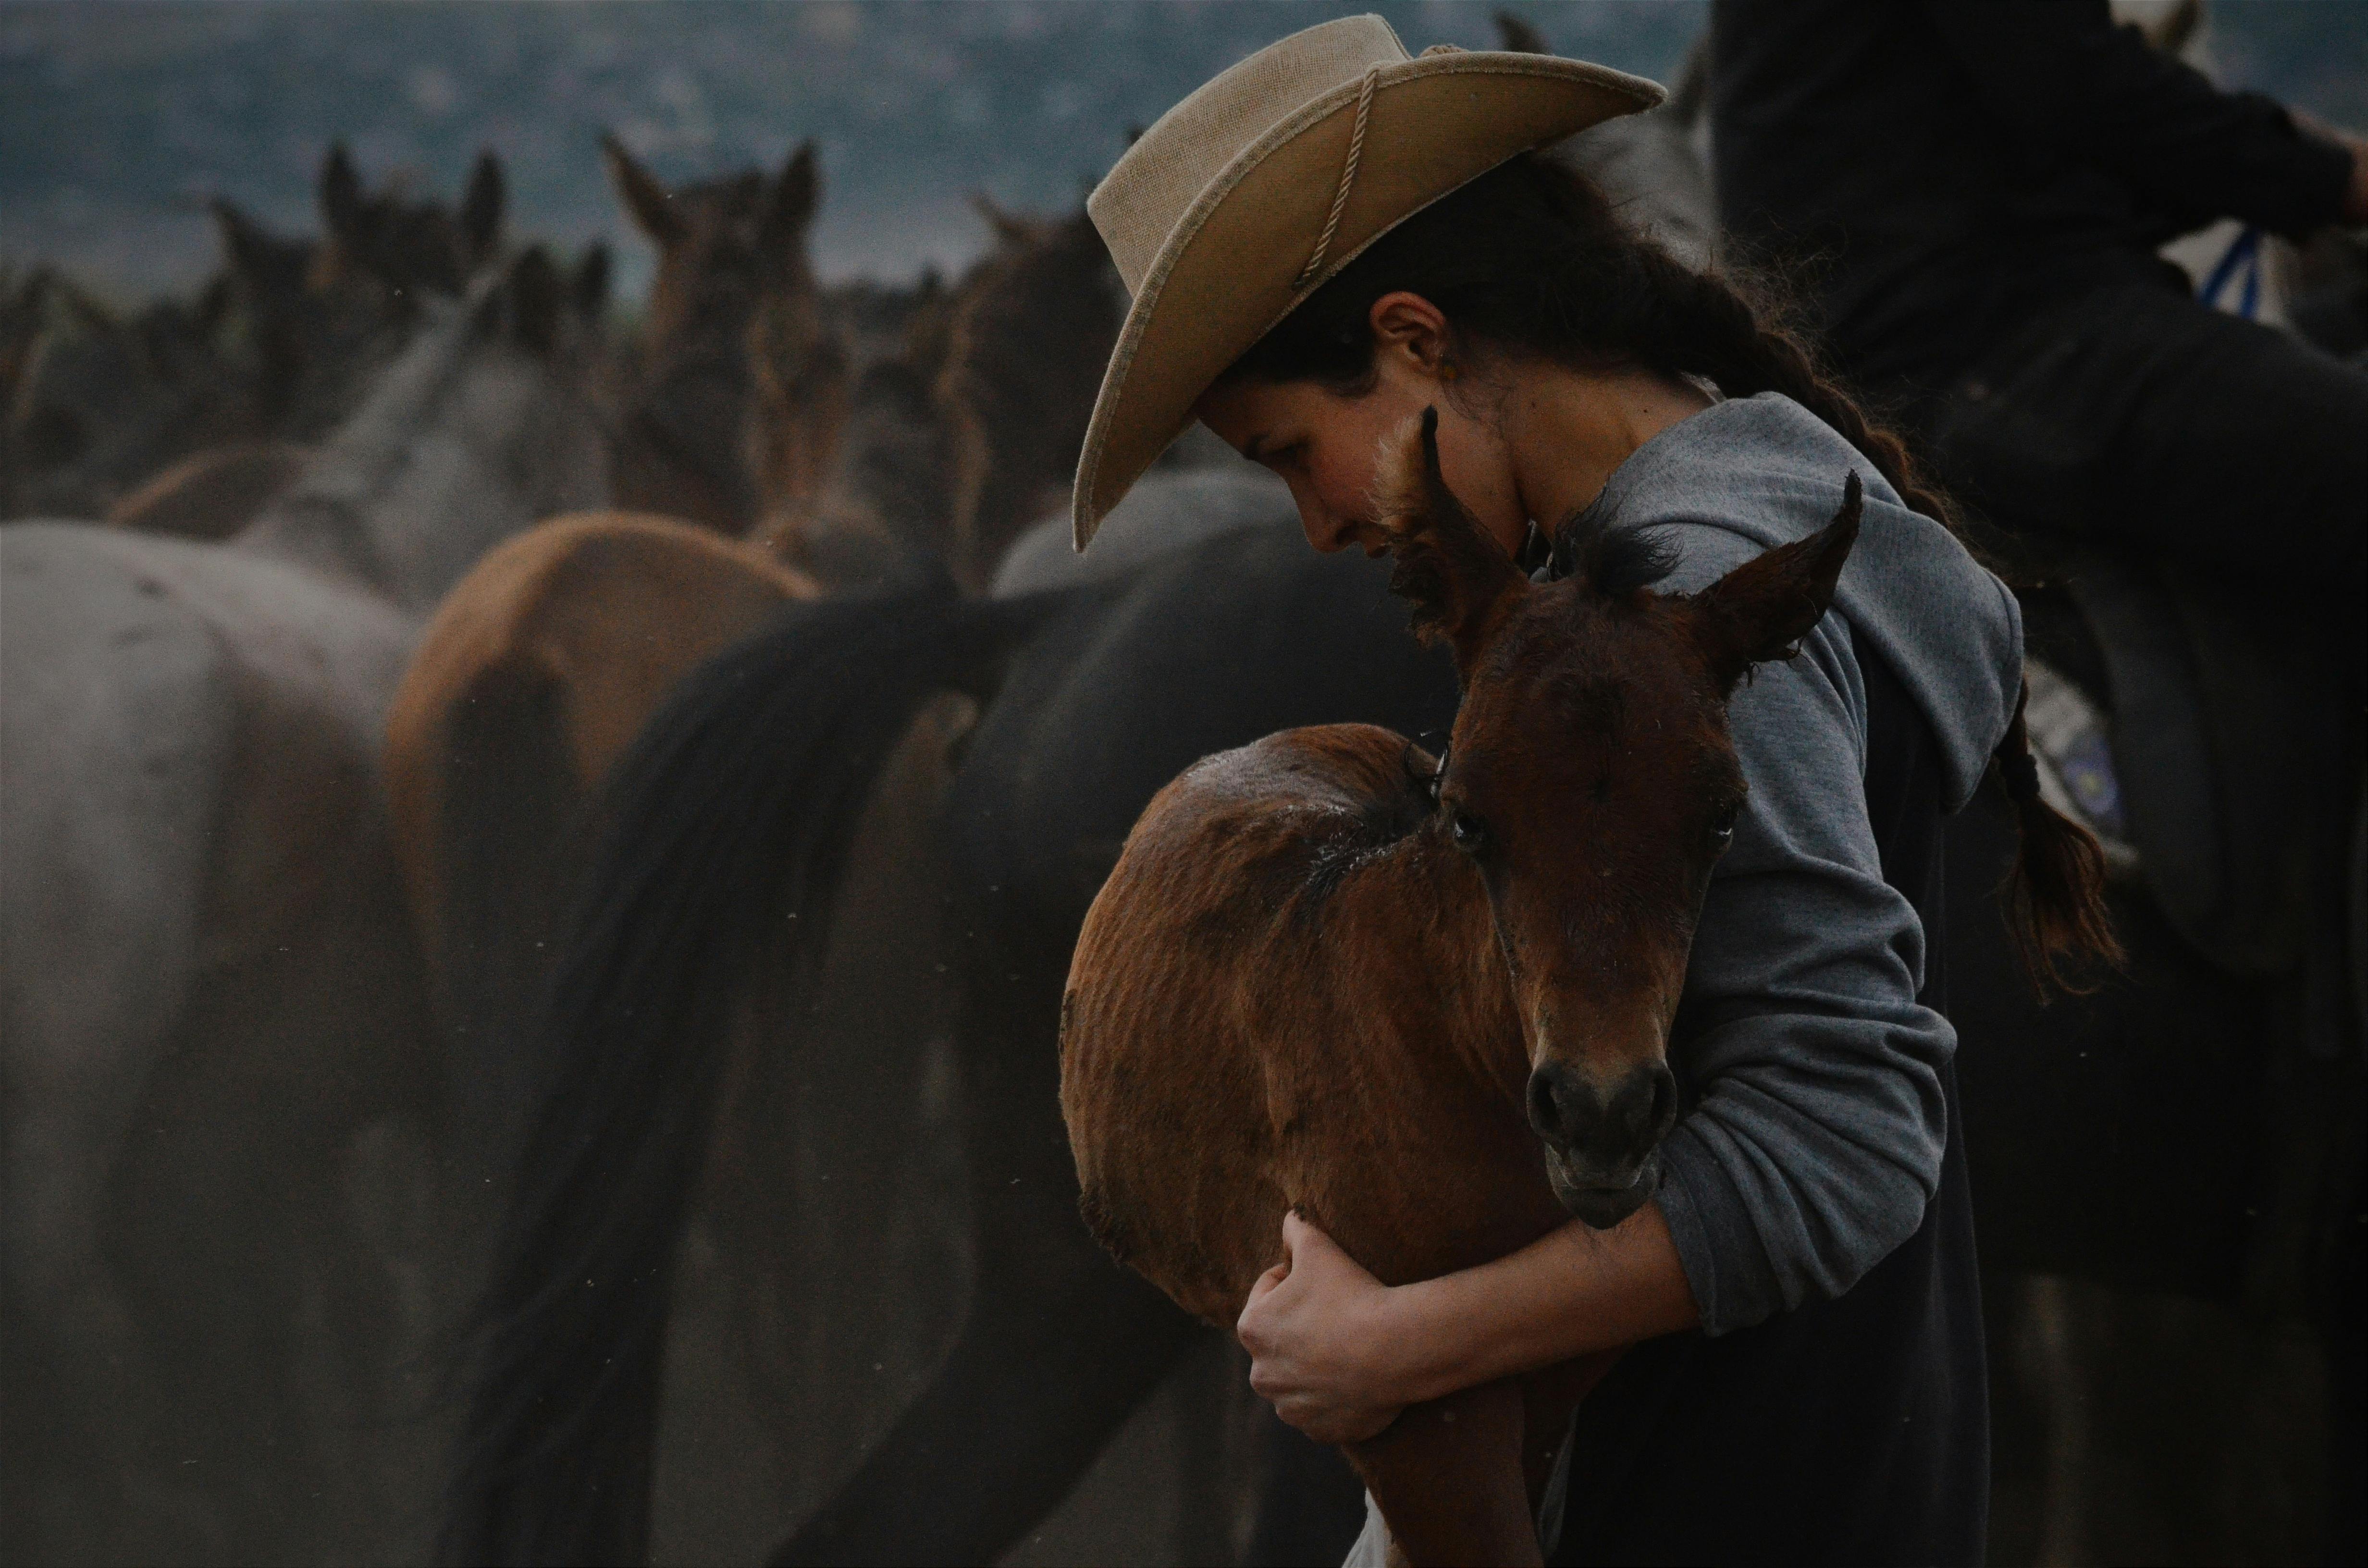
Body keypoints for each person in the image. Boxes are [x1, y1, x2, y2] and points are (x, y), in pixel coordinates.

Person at [1069, 16, 2112, 1565]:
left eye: (1298, 454)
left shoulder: (1683, 599)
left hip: (1719, 1483)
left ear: (1415, 343)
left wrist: (1403, 1349)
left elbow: (1848, 1131)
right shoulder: (1679, 548)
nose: (1313, 527)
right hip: (1837, 1450)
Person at [1711, 0, 2368, 674]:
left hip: (1908, 353)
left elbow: (2059, 124)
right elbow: (2090, 92)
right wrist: (2332, 175)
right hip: (1997, 343)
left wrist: (2287, 160)